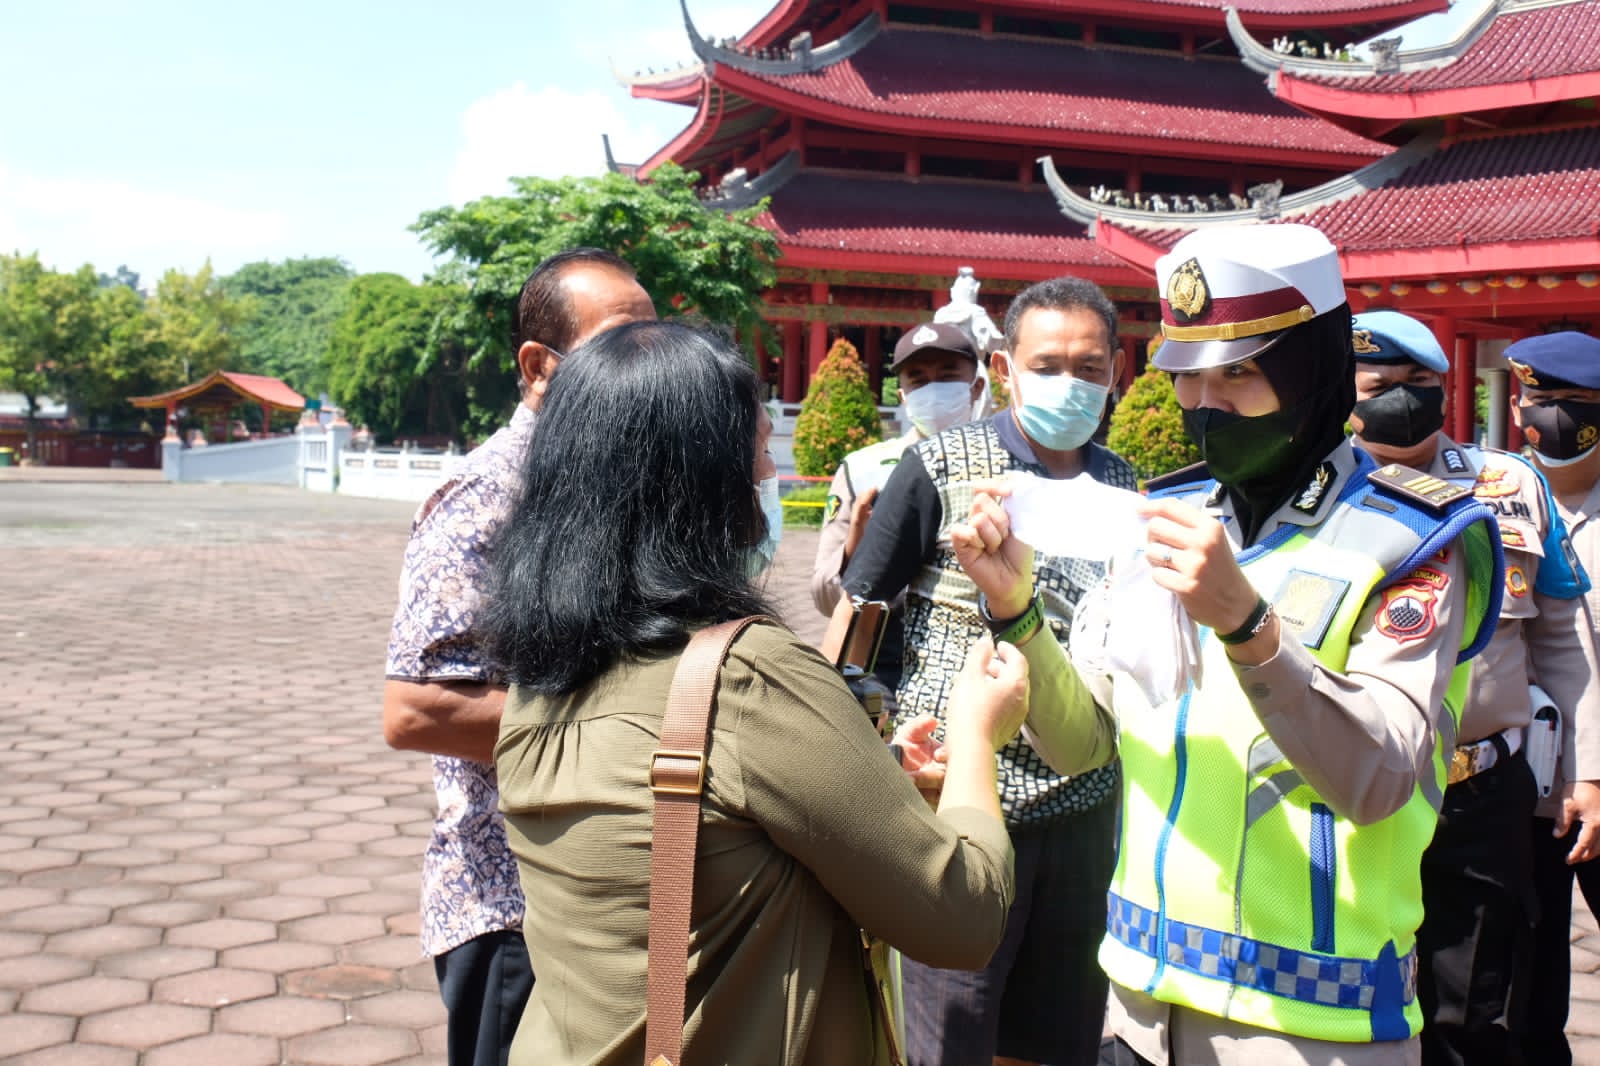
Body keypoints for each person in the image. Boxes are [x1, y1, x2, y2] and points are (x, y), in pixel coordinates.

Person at [953, 223, 1504, 1065]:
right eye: (1187, 376)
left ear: (1310, 367)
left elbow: (1382, 777)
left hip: (1312, 1030)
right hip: (1136, 1007)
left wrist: (1248, 628)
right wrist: (1018, 612)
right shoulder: (1167, 521)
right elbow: (1086, 743)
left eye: (1240, 373)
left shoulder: (1410, 544)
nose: (1207, 403)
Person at [483, 320, 1023, 1066]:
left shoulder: (540, 675)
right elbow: (961, 917)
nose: (769, 472)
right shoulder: (748, 680)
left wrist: (870, 774)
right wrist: (976, 745)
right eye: (762, 449)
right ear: (702, 481)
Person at [841, 277, 1135, 1066]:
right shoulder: (939, 468)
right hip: (961, 805)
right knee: (952, 1035)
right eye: (1047, 364)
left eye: (1088, 366)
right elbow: (858, 623)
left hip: (1083, 808)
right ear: (1005, 369)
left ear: (1117, 372)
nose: (1068, 383)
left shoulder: (1124, 488)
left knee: (1059, 1038)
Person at [380, 248, 656, 1066]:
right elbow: (416, 709)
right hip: (511, 904)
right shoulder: (490, 498)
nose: (644, 368)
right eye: (619, 344)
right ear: (539, 366)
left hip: (602, 891)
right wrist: (622, 729)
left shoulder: (611, 486)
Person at [1346, 311, 1600, 1065]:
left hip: (1483, 789)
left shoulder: (1512, 485)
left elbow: (1559, 639)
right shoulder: (1319, 491)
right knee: (1358, 995)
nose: (1404, 397)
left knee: (1473, 1009)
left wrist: (1581, 771)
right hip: (1358, 788)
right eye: (1381, 385)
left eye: (1422, 383)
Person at [1498, 331, 1600, 1066]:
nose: (1552, 417)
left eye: (1575, 405)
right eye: (1540, 399)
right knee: (1523, 991)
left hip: (1594, 776)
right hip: (1520, 784)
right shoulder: (1487, 502)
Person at [812, 321, 987, 687]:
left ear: (977, 388)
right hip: (884, 663)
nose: (932, 389)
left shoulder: (1005, 472)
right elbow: (826, 599)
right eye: (919, 380)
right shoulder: (863, 470)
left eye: (948, 376)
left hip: (983, 660)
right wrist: (855, 552)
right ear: (903, 395)